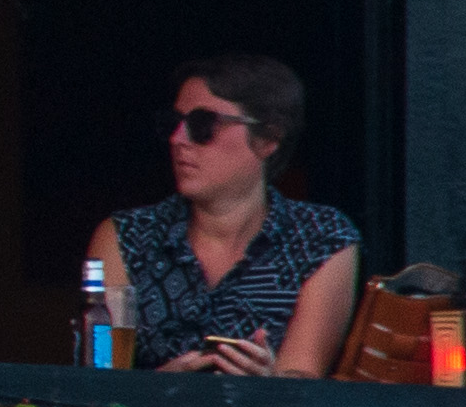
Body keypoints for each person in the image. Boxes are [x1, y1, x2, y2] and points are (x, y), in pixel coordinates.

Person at [84, 53, 361, 377]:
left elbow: (302, 380)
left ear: (269, 138)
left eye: (202, 126)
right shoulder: (126, 237)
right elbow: (98, 385)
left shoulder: (321, 238)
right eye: (173, 124)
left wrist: (267, 387)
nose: (178, 140)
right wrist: (160, 395)